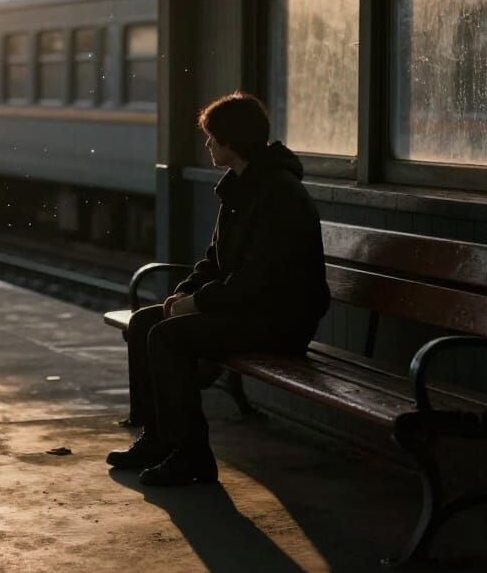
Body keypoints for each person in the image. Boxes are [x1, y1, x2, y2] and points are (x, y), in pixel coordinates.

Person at [107, 91, 330, 486]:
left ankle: (191, 455)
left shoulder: (279, 194)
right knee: (145, 322)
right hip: (248, 311)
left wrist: (199, 302)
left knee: (168, 338)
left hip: (282, 320)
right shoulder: (240, 187)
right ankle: (158, 439)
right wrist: (185, 292)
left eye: (212, 137)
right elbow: (215, 259)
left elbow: (261, 280)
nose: (207, 144)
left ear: (231, 141)